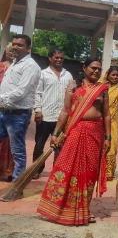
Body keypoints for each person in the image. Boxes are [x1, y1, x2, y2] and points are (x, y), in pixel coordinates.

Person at [36, 58, 111, 226]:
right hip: (75, 132)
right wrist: (56, 132)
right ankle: (58, 208)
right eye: (93, 68)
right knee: (67, 168)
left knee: (89, 172)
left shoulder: (102, 89)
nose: (96, 72)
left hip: (95, 133)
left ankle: (85, 208)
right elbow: (65, 111)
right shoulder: (73, 87)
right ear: (84, 68)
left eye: (99, 69)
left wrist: (108, 137)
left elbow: (106, 114)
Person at [0, 35, 41, 182]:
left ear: (28, 48)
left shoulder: (30, 66)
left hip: (17, 115)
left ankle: (18, 185)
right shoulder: (14, 63)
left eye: (20, 45)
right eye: (14, 44)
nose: (16, 47)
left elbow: (21, 91)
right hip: (4, 112)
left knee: (17, 151)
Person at [32, 48, 73, 178]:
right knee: (39, 144)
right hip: (45, 115)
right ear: (50, 58)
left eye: (61, 58)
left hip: (62, 117)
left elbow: (73, 94)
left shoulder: (68, 75)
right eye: (56, 57)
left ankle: (57, 169)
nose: (59, 60)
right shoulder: (43, 74)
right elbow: (37, 93)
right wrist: (38, 110)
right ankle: (36, 169)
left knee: (60, 145)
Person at [102, 66, 118, 180]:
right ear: (108, 75)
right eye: (113, 75)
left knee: (112, 145)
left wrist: (112, 113)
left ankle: (108, 172)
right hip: (100, 120)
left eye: (117, 75)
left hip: (114, 122)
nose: (115, 77)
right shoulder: (102, 88)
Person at [0, 44, 15, 180]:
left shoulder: (19, 69)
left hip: (14, 109)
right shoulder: (0, 66)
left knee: (11, 140)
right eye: (10, 51)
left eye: (15, 51)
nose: (12, 53)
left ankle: (9, 171)